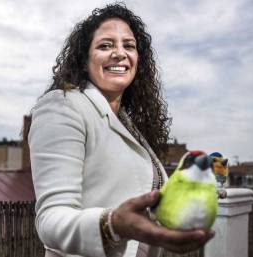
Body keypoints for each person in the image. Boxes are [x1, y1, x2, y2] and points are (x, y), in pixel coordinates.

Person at [28, 3, 214, 257]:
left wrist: (197, 186)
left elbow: (141, 196)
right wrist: (111, 224)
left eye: (129, 46)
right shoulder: (62, 105)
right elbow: (50, 221)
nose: (119, 53)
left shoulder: (127, 122)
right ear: (84, 60)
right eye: (105, 45)